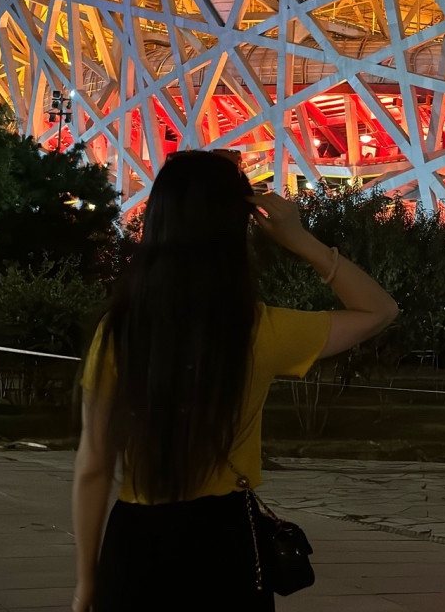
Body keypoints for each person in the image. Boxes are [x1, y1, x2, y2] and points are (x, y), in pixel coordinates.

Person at [71, 151, 398, 611]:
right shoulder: (256, 331)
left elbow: (93, 466)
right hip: (224, 544)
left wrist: (87, 581)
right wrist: (300, 239)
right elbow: (379, 311)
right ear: (234, 228)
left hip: (136, 546)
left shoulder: (119, 332)